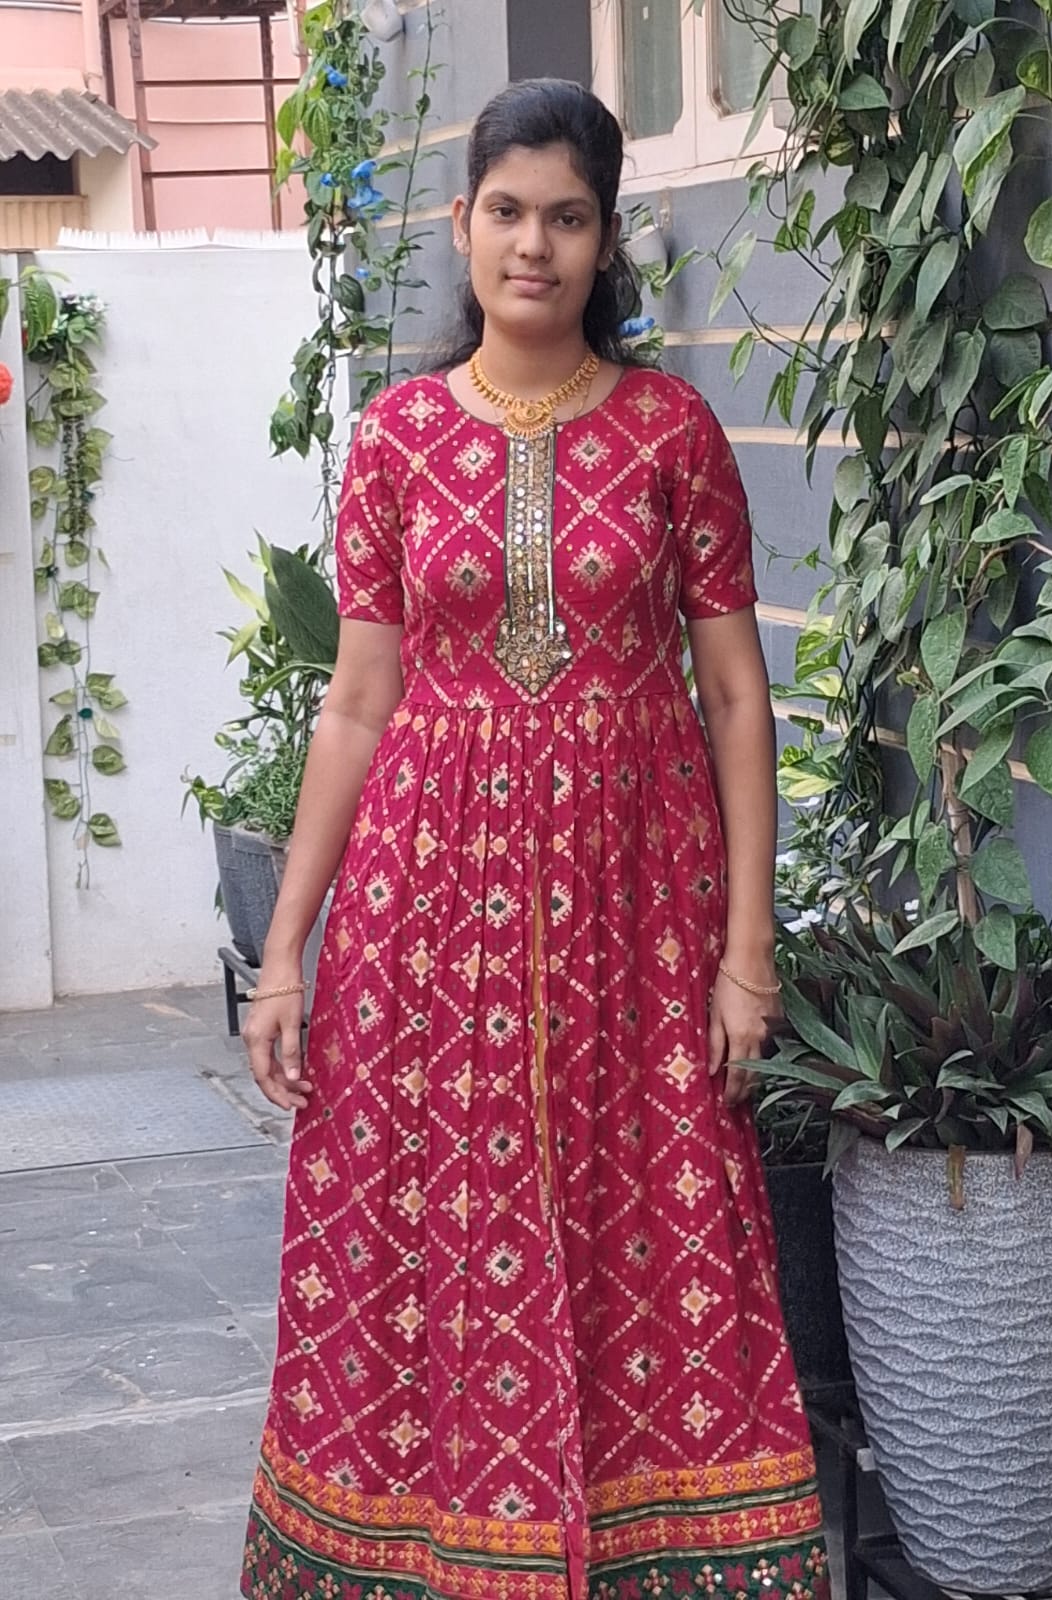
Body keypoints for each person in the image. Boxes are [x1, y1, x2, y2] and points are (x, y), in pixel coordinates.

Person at [239, 76, 828, 1600]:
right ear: (462, 223)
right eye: (508, 212)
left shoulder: (674, 435)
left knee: (662, 1240)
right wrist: (287, 950)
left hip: (639, 912)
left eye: (568, 218)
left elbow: (736, 699)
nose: (534, 247)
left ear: (606, 238)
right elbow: (356, 706)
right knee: (416, 1246)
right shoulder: (393, 440)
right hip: (426, 920)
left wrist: (747, 952)